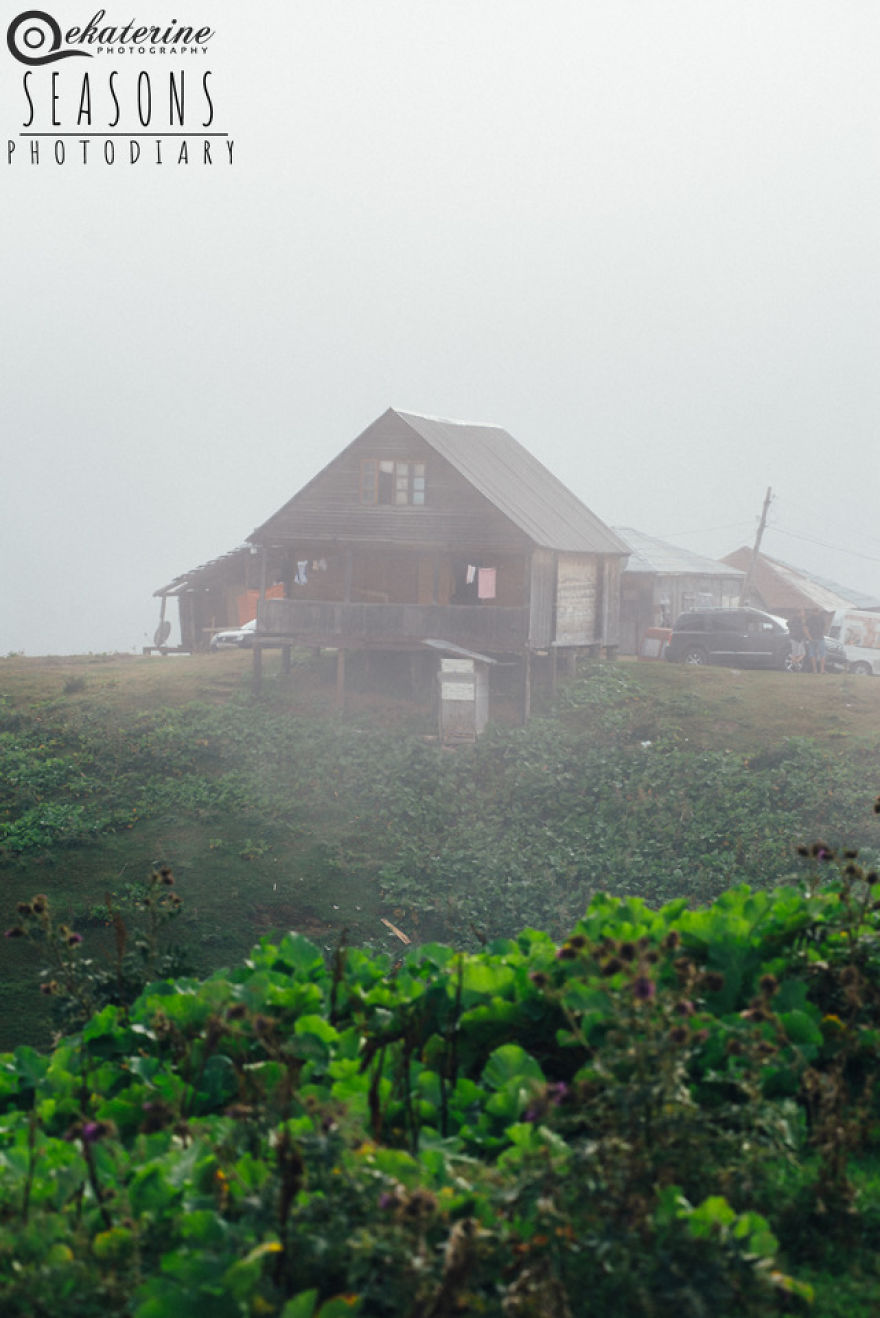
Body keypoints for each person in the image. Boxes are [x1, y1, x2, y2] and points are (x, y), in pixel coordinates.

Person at [806, 609, 826, 674]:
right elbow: (824, 628)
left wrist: (810, 638)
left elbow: (806, 629)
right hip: (820, 638)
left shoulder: (809, 619)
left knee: (813, 655)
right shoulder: (821, 618)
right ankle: (821, 670)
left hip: (813, 638)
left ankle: (815, 670)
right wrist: (822, 634)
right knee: (822, 654)